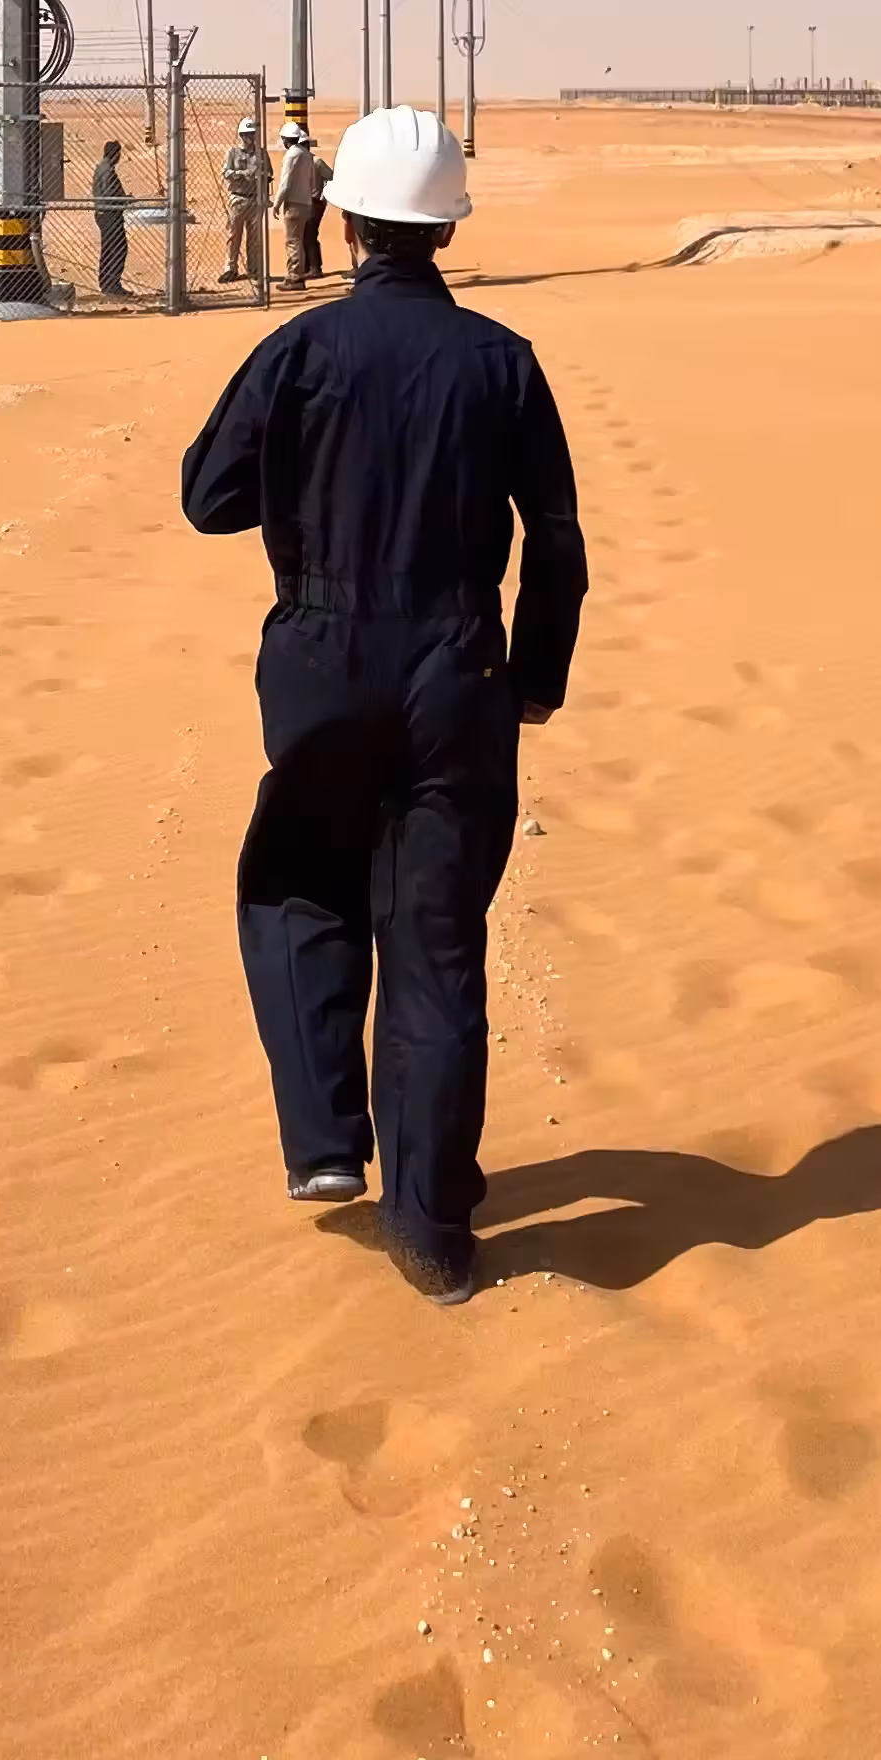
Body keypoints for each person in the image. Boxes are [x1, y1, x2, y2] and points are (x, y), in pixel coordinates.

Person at [179, 104, 586, 1303]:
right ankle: (432, 1228)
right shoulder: (501, 360)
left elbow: (209, 497)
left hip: (320, 653)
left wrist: (317, 470)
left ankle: (321, 1142)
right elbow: (554, 540)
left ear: (345, 220)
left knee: (299, 878)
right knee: (437, 943)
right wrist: (537, 678)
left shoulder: (299, 354)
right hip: (458, 664)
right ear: (447, 230)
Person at [218, 116, 271, 285]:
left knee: (254, 237)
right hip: (238, 199)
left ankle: (254, 269)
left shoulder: (261, 153)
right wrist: (242, 174)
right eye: (246, 135)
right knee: (234, 235)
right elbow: (225, 173)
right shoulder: (233, 153)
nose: (249, 138)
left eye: (252, 134)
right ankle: (230, 268)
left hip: (255, 200)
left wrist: (261, 177)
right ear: (240, 135)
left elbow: (269, 174)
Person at [277, 126, 333, 287]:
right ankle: (307, 268)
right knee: (304, 237)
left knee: (304, 237)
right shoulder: (307, 159)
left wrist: (322, 196)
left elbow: (330, 178)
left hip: (312, 202)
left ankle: (306, 271)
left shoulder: (310, 160)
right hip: (307, 202)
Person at [90, 136, 131, 301]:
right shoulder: (107, 171)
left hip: (104, 214)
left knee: (108, 248)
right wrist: (124, 200)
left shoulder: (102, 168)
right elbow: (109, 195)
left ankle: (106, 282)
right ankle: (113, 283)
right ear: (116, 154)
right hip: (110, 214)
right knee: (119, 248)